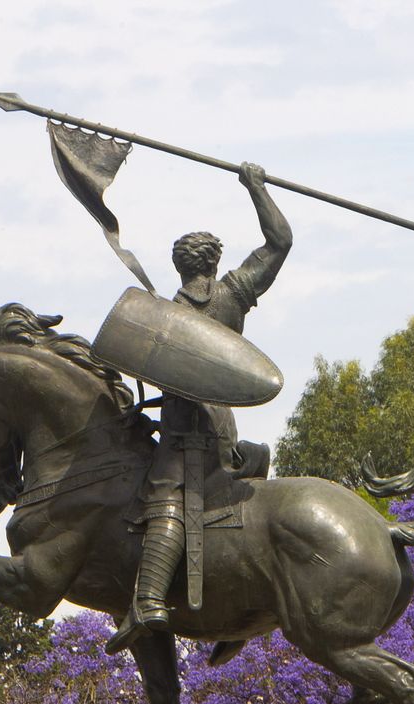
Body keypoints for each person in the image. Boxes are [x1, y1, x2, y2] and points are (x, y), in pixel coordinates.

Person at [105, 162, 291, 654]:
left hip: (188, 437)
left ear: (179, 267)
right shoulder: (233, 294)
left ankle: (148, 599)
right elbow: (280, 242)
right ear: (214, 262)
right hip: (225, 431)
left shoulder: (167, 316)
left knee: (162, 496)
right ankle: (236, 615)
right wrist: (256, 188)